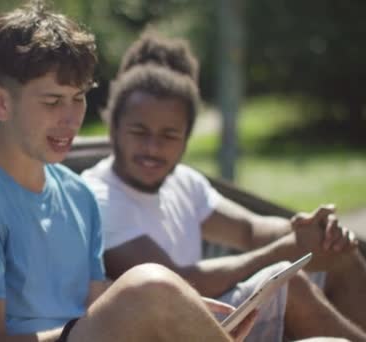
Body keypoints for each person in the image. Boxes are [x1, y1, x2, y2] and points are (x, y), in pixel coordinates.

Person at [0, 2, 256, 341]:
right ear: (1, 102)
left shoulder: (80, 196)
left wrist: (176, 317)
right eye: (52, 101)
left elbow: (96, 310)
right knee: (151, 285)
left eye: (78, 97)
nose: (71, 118)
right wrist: (139, 309)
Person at [81, 31, 366, 341]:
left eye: (169, 135)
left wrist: (313, 232)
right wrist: (288, 249)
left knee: (340, 254)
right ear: (113, 129)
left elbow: (251, 230)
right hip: (167, 326)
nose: (153, 148)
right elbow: (178, 284)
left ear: (186, 138)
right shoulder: (99, 195)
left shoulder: (183, 181)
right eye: (140, 132)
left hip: (210, 310)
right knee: (288, 283)